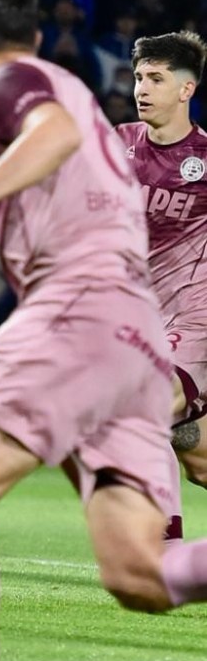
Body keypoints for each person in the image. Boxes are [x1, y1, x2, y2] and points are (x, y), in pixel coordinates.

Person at [0, 0, 207, 661]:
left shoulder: (14, 83)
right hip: (137, 342)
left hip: (82, 312)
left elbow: (53, 132)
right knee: (141, 573)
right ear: (34, 32)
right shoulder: (91, 103)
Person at [114, 31, 207, 538]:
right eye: (138, 77)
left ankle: (167, 551)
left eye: (156, 78)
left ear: (186, 90)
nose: (141, 88)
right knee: (197, 457)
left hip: (193, 322)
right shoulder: (119, 143)